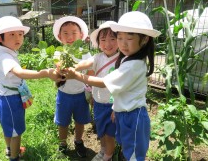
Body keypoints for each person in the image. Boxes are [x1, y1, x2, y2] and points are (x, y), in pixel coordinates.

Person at [62, 11, 161, 161]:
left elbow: (104, 82)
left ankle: (111, 155)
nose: (123, 43)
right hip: (123, 111)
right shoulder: (127, 58)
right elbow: (88, 65)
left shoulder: (133, 65)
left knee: (133, 153)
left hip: (133, 116)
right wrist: (73, 67)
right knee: (124, 146)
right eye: (120, 37)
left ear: (145, 39)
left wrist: (76, 75)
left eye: (129, 38)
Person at [0, 16, 61, 161]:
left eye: (20, 34)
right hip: (10, 99)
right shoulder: (5, 57)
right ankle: (14, 157)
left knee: (8, 128)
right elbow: (19, 72)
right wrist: (44, 73)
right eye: (12, 34)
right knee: (16, 132)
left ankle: (9, 149)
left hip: (4, 96)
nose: (18, 38)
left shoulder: (6, 51)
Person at [74, 21, 119, 161]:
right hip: (99, 103)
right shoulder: (98, 57)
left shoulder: (122, 60)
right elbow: (85, 64)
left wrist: (117, 107)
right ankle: (103, 150)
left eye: (113, 39)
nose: (108, 43)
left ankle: (108, 156)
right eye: (103, 39)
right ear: (99, 42)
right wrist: (73, 67)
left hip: (112, 105)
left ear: (119, 40)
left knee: (110, 134)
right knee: (102, 132)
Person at [52, 16, 92, 158]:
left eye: (74, 33)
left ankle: (78, 141)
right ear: (59, 36)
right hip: (64, 95)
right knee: (63, 122)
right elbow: (58, 69)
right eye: (66, 33)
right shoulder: (58, 53)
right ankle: (62, 144)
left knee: (80, 121)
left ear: (81, 35)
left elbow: (90, 70)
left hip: (81, 94)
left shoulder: (85, 53)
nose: (70, 37)